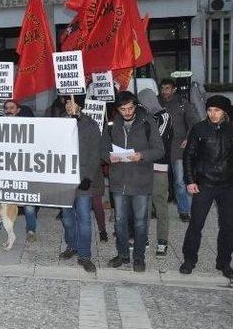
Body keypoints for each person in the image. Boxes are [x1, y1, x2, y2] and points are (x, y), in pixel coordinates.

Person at [102, 91, 164, 272]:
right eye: (123, 109)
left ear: (135, 106)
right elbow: (102, 149)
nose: (128, 112)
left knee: (140, 221)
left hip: (141, 181)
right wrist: (109, 157)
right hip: (119, 180)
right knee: (120, 221)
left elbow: (159, 150)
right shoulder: (111, 124)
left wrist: (142, 155)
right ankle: (122, 255)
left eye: (130, 108)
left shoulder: (147, 122)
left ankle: (139, 257)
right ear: (118, 109)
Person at [179, 95, 233, 279]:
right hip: (204, 184)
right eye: (210, 110)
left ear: (224, 112)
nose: (212, 114)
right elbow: (188, 155)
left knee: (228, 226)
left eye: (216, 110)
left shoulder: (231, 129)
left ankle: (224, 262)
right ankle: (189, 259)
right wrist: (190, 180)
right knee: (196, 224)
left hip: (227, 185)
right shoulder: (199, 128)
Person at [57, 94, 102, 273]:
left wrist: (88, 177)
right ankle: (72, 246)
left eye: (72, 102)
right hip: (63, 179)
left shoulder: (90, 124)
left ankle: (85, 255)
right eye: (67, 102)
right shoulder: (59, 122)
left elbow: (95, 153)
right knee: (67, 218)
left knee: (83, 218)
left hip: (83, 179)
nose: (69, 106)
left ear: (80, 106)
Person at [0, 99, 38, 240]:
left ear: (18, 110)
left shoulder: (28, 127)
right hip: (4, 170)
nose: (9, 110)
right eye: (7, 108)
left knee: (28, 203)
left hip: (23, 170)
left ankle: (31, 230)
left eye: (12, 108)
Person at [138, 88, 174, 256]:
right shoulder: (145, 117)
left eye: (142, 101)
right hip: (144, 167)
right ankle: (143, 238)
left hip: (159, 168)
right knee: (143, 206)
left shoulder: (164, 116)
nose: (141, 105)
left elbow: (156, 141)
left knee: (160, 206)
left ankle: (162, 241)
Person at [159, 78, 200, 222]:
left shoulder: (183, 103)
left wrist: (188, 138)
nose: (165, 91)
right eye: (163, 88)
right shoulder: (157, 104)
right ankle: (156, 209)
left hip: (178, 148)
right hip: (161, 149)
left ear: (174, 89)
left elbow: (194, 122)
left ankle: (184, 210)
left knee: (180, 181)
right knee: (159, 181)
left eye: (168, 88)